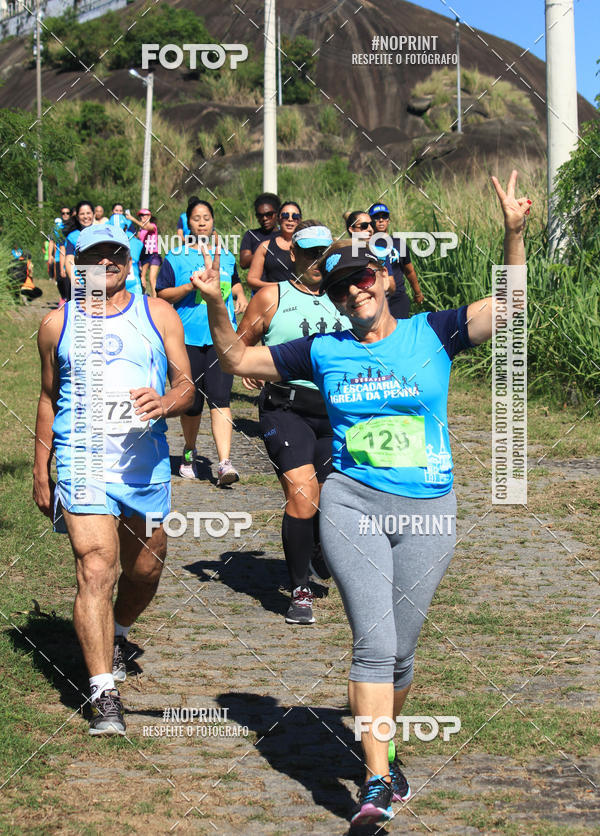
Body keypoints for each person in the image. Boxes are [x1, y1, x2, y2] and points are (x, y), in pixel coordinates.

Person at [191, 171, 530, 824]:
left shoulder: (434, 332)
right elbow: (234, 359)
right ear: (339, 298)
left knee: (401, 649)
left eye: (365, 279)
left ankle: (384, 748)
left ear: (384, 282)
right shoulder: (322, 350)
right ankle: (374, 783)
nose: (356, 290)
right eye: (344, 286)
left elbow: (511, 307)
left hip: (430, 509)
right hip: (352, 505)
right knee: (373, 644)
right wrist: (213, 302)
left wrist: (512, 233)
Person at [33, 223, 193, 736]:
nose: (107, 264)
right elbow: (47, 396)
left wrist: (166, 403)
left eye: (116, 254)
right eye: (94, 256)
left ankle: (118, 632)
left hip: (142, 464)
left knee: (145, 568)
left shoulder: (158, 313)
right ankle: (104, 694)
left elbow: (186, 384)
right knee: (97, 567)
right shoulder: (56, 325)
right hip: (82, 459)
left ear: (128, 260)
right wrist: (41, 468)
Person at [238, 222, 350, 624]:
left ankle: (317, 542)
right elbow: (239, 345)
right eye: (308, 253)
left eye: (323, 252)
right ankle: (299, 589)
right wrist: (250, 366)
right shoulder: (272, 296)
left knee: (330, 501)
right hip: (285, 410)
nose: (317, 261)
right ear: (293, 256)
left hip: (338, 412)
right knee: (303, 497)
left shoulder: (347, 296)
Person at [156, 198, 248, 486]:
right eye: (196, 218)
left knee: (220, 400)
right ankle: (189, 451)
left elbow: (232, 281)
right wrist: (189, 287)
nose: (202, 222)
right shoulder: (175, 257)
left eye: (207, 217)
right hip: (187, 339)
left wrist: (240, 293)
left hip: (220, 339)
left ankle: (224, 463)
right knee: (192, 403)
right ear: (188, 223)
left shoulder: (226, 255)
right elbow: (161, 294)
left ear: (213, 221)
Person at [368, 202, 423, 318]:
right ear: (370, 221)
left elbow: (409, 271)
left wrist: (418, 293)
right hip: (376, 299)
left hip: (398, 298)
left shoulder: (398, 243)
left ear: (388, 220)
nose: (381, 220)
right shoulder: (366, 244)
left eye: (384, 216)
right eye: (376, 217)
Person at [247, 201, 301, 290]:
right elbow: (252, 280)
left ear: (300, 220)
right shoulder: (265, 246)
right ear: (278, 219)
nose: (290, 219)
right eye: (285, 216)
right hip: (274, 298)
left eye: (295, 216)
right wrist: (279, 286)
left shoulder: (307, 245)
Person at [239, 193, 281, 270]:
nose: (264, 218)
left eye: (269, 214)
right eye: (260, 215)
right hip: (258, 281)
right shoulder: (251, 235)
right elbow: (243, 262)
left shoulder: (285, 235)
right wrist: (265, 252)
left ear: (278, 214)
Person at [126, 209, 160, 297]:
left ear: (149, 216)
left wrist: (132, 219)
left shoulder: (153, 226)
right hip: (144, 256)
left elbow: (146, 227)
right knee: (141, 278)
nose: (142, 217)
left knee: (152, 279)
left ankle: (155, 300)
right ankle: (143, 296)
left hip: (153, 254)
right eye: (141, 216)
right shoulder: (141, 230)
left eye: (144, 215)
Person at [63, 200, 95, 282]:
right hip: (81, 281)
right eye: (82, 214)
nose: (85, 216)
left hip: (99, 278)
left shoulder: (103, 233)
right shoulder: (73, 236)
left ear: (93, 214)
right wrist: (72, 276)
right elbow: (69, 258)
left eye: (88, 213)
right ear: (77, 217)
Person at [53, 206, 72, 306]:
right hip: (59, 256)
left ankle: (67, 299)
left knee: (68, 281)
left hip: (70, 258)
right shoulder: (58, 227)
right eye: (63, 213)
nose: (65, 215)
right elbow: (56, 243)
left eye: (67, 213)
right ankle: (64, 296)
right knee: (60, 279)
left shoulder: (73, 228)